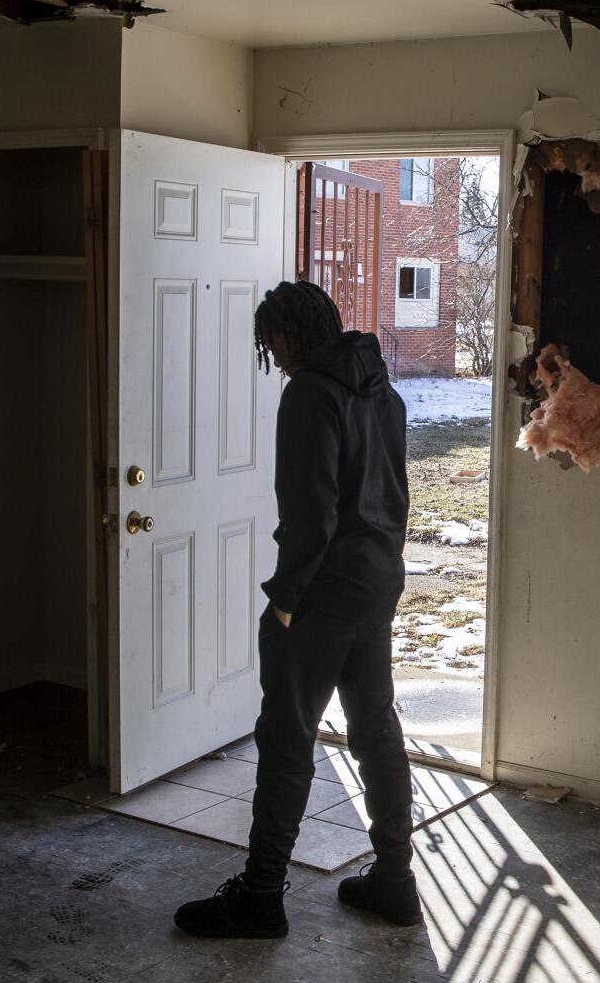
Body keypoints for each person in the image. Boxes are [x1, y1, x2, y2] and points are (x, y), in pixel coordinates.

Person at [175, 280, 418, 939]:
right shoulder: (381, 389)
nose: (272, 355)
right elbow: (393, 495)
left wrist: (285, 600)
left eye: (272, 340)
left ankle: (259, 895)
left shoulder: (310, 393)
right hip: (375, 581)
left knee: (286, 737)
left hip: (325, 592)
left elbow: (311, 513)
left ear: (291, 333)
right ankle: (395, 879)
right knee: (374, 727)